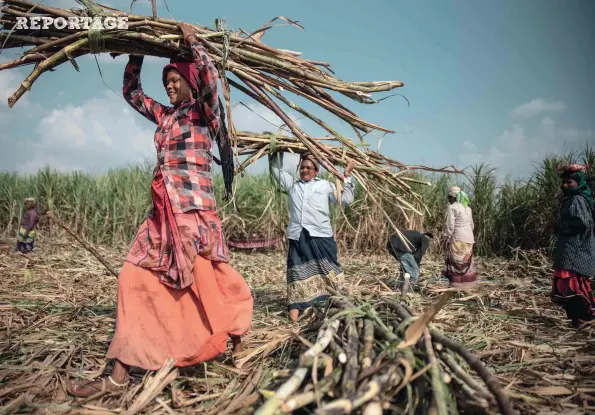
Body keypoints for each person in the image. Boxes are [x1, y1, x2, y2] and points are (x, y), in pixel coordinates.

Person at [68, 23, 253, 397]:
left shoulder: (205, 114)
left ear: (189, 80)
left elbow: (211, 79)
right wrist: (137, 51)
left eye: (175, 78)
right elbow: (132, 93)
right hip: (161, 216)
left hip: (193, 215)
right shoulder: (165, 116)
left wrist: (191, 43)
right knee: (131, 278)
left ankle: (233, 336)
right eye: (165, 79)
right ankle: (119, 374)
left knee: (209, 284)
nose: (169, 84)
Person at [270, 151, 355, 322]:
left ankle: (333, 306)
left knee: (329, 272)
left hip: (321, 236)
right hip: (298, 236)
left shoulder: (325, 186)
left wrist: (347, 176)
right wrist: (279, 150)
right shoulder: (293, 184)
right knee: (295, 272)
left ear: (316, 171)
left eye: (309, 168)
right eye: (302, 167)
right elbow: (275, 169)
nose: (305, 170)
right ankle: (294, 315)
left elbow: (346, 199)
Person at [551, 164, 595, 327]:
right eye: (563, 182)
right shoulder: (580, 198)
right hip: (574, 251)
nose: (565, 185)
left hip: (575, 252)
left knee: (573, 288)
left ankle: (584, 319)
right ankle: (579, 320)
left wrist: (558, 226)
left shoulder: (576, 199)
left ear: (579, 183)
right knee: (572, 288)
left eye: (569, 182)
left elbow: (580, 223)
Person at [442, 186, 478, 289]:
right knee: (466, 260)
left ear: (453, 197)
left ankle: (457, 285)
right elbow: (472, 225)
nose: (449, 200)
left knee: (457, 261)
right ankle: (469, 284)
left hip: (458, 238)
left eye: (449, 197)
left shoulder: (452, 207)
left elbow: (450, 226)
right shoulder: (468, 208)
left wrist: (446, 237)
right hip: (469, 238)